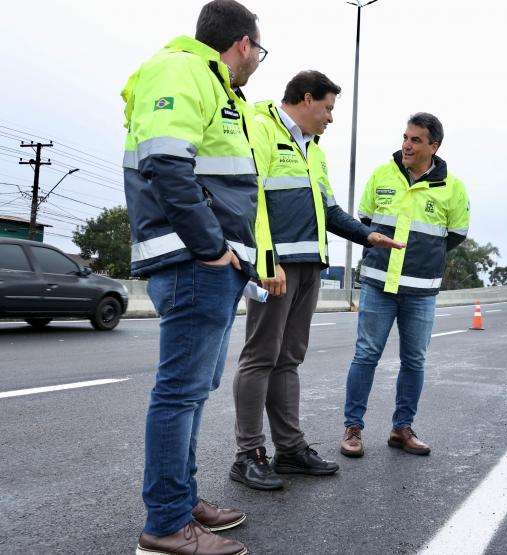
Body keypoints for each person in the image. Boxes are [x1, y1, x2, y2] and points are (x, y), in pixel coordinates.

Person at [122, 1, 267, 553]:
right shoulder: (181, 69)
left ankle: (182, 503)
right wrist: (210, 248)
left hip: (209, 264)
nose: (256, 61)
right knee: (179, 393)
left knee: (194, 392)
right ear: (244, 45)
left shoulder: (211, 83)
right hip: (193, 262)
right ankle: (164, 527)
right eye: (259, 51)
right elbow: (164, 164)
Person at [230, 71, 403, 491]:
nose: (330, 117)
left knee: (288, 360)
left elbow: (329, 211)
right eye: (327, 108)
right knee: (260, 357)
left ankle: (289, 449)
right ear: (306, 99)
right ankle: (248, 454)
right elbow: (249, 200)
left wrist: (368, 235)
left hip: (310, 266)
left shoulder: (315, 151)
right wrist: (266, 261)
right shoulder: (261, 128)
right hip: (276, 268)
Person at [340, 113, 470, 458]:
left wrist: (422, 259)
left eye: (415, 140)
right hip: (377, 284)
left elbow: (455, 234)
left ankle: (402, 428)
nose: (406, 145)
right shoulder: (382, 174)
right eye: (405, 137)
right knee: (366, 355)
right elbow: (365, 222)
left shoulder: (452, 187)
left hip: (421, 291)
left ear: (433, 146)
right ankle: (353, 428)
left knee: (414, 360)